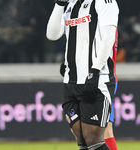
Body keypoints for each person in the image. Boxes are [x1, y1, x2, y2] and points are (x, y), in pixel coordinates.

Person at [46, 0, 119, 150]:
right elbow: (52, 35)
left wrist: (95, 70)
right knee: (81, 138)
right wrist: (59, 4)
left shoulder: (104, 2)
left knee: (94, 138)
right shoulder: (70, 5)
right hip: (71, 82)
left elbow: (108, 38)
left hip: (96, 81)